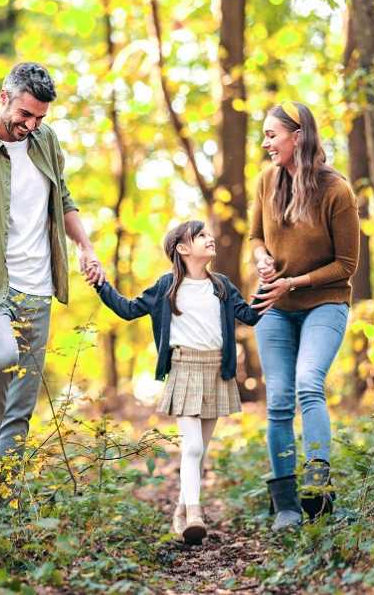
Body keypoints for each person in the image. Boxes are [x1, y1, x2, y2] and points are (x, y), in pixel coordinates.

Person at [0, 62, 105, 496]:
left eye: (40, 118)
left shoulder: (45, 141)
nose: (30, 126)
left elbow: (63, 197)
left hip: (40, 286)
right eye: (25, 115)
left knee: (24, 396)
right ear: (4, 98)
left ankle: (6, 487)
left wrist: (85, 247)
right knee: (0, 357)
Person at [93, 220, 260, 544]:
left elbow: (250, 315)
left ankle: (181, 512)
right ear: (182, 249)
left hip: (216, 370)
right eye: (201, 236)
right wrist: (101, 285)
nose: (210, 239)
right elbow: (128, 309)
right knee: (193, 446)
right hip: (183, 369)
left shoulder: (222, 285)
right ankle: (195, 513)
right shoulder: (166, 286)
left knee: (201, 451)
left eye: (209, 234)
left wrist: (270, 285)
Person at [249, 101, 360, 531]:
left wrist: (293, 283)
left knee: (307, 382)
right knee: (277, 400)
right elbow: (256, 236)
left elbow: (347, 265)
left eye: (272, 134)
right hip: (274, 308)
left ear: (298, 137)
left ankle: (317, 483)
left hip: (324, 303)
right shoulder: (267, 181)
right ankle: (286, 505)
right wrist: (262, 260)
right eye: (263, 135)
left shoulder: (336, 190)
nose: (266, 143)